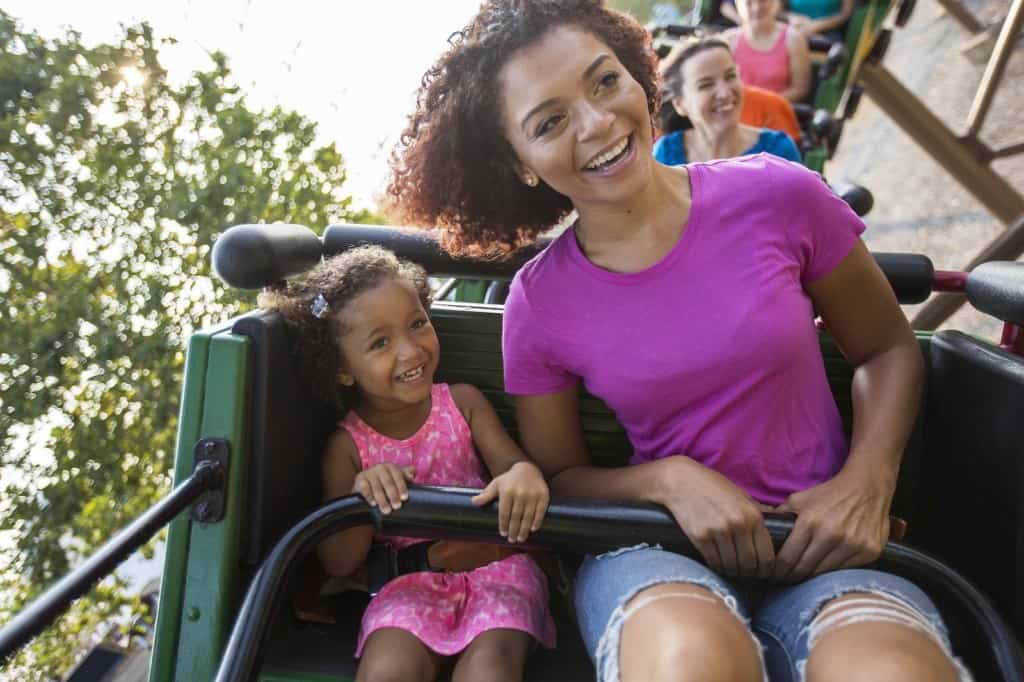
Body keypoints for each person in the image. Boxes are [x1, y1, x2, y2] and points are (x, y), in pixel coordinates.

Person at [387, 2, 972, 681]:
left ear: (639, 77)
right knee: (686, 665)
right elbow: (564, 481)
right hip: (656, 551)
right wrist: (669, 482)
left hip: (820, 545)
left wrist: (868, 480)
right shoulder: (539, 303)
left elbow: (887, 348)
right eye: (550, 122)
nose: (598, 122)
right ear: (519, 164)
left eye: (605, 82)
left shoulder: (779, 195)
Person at [259, 246, 556, 682]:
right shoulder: (347, 446)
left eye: (417, 324)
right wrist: (364, 499)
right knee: (387, 668)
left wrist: (524, 474)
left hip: (497, 570)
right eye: (381, 343)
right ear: (343, 369)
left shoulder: (463, 403)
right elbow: (339, 563)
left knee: (489, 669)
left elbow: (514, 467)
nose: (411, 351)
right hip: (409, 584)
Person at [654, 37, 801, 165]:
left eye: (730, 76)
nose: (724, 93)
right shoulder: (665, 154)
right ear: (680, 104)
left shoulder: (778, 151)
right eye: (706, 85)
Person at [725, 0, 811, 102]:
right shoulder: (728, 40)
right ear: (738, 5)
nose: (756, 8)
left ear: (777, 3)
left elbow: (800, 89)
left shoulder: (794, 38)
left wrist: (763, 105)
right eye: (748, 3)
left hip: (777, 111)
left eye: (763, 1)